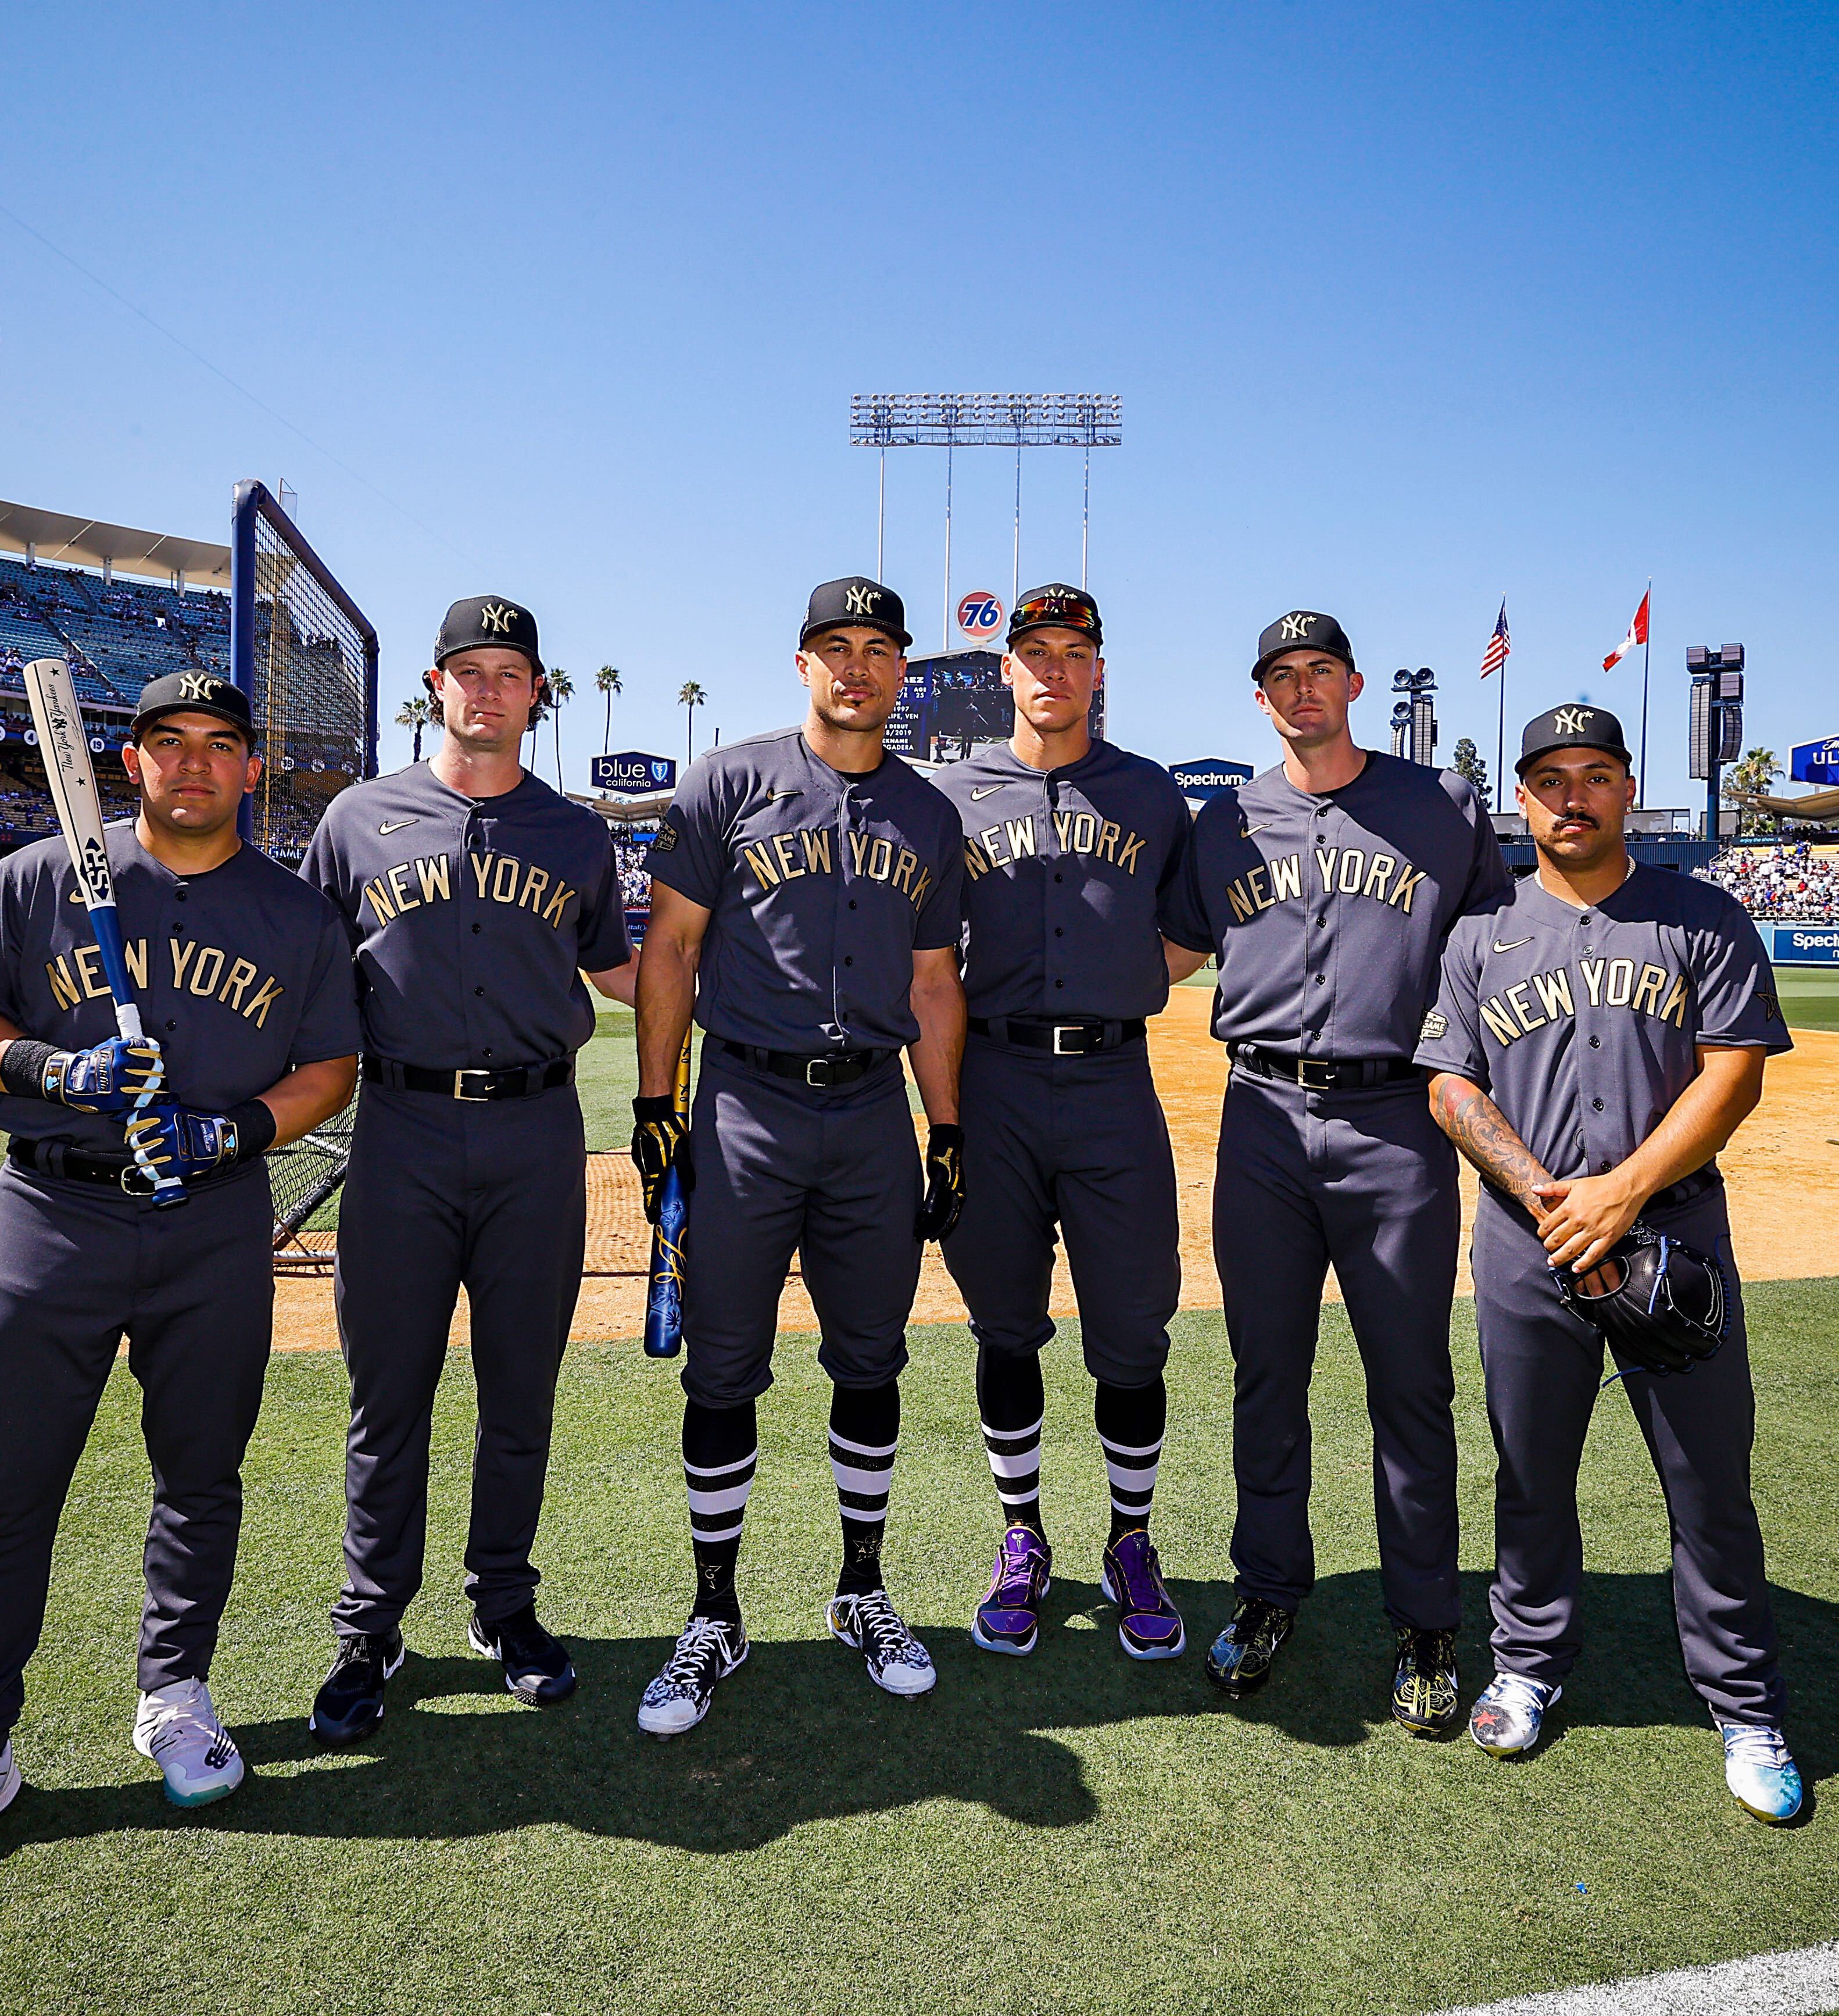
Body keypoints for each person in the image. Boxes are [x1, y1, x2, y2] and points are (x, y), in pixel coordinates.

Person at [0, 671, 360, 1905]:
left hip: (212, 1222)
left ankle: (174, 1694)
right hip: (55, 1211)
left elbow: (332, 1066)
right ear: (129, 765)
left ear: (251, 768)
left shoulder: (293, 914)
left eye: (219, 746)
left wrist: (234, 1133)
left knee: (200, 1476)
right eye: (166, 745)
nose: (193, 765)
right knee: (5, 1490)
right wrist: (49, 1067)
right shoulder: (36, 879)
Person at [1415, 705, 1801, 1820]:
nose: (1570, 796)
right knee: (1530, 1476)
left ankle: (1743, 1703)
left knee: (1709, 1482)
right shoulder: (1481, 934)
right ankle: (1527, 1664)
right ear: (1522, 800)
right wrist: (1547, 1197)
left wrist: (1619, 1194)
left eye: (1593, 775)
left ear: (1627, 789)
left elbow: (1734, 1074)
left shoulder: (1703, 916)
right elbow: (1450, 1083)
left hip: (1672, 1234)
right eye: (1548, 780)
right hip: (1529, 1241)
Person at [630, 576, 966, 1736]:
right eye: (836, 648)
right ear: (802, 664)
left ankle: (861, 1590)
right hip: (746, 1114)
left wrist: (950, 1128)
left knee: (870, 1364)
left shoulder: (928, 813)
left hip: (871, 1115)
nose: (856, 668)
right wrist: (654, 1101)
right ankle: (713, 1614)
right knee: (722, 1368)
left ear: (902, 672)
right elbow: (671, 948)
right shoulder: (729, 780)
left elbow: (932, 984)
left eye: (878, 649)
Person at [1161, 610, 1508, 1731]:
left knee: (1410, 1384)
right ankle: (1268, 1594)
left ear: (1354, 683)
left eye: (1320, 671)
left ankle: (1427, 1622)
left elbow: (1496, 948)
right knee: (1267, 1377)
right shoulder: (1225, 823)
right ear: (1258, 698)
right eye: (1282, 677)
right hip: (1259, 1116)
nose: (1303, 689)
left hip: (1395, 1122)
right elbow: (1162, 950)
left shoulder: (1440, 806)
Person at [299, 595, 636, 1745]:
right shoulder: (356, 820)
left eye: (510, 672)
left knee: (518, 1397)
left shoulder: (578, 835)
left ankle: (504, 1603)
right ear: (437, 686)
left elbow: (624, 972)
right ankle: (369, 1623)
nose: (488, 689)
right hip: (399, 1135)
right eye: (469, 670)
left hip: (538, 1140)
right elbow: (305, 974)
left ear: (536, 693)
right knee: (385, 1400)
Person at [926, 584, 1193, 1661]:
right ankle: (1023, 1534)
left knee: (1131, 1330)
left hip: (1112, 1085)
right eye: (1030, 652)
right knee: (1005, 1324)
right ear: (1006, 672)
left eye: (1070, 652)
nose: (1050, 669)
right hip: (991, 1086)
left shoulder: (1153, 795)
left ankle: (1132, 1539)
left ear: (1099, 672)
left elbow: (1184, 937)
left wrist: (1117, 986)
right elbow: (924, 960)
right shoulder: (949, 798)